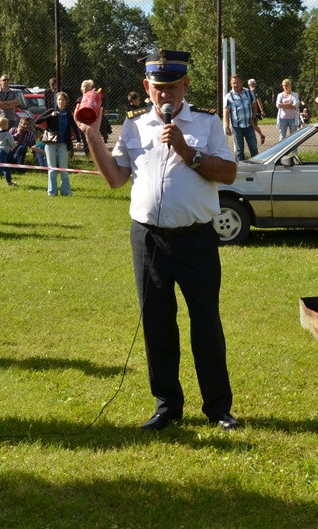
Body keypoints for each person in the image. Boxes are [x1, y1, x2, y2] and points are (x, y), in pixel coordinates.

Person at [77, 49, 239, 432]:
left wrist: (188, 152)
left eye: (172, 87)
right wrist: (93, 135)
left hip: (196, 238)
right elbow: (116, 178)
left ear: (184, 85)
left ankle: (218, 408)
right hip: (148, 239)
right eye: (158, 88)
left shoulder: (206, 122)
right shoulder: (133, 127)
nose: (165, 96)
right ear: (146, 87)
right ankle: (167, 406)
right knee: (156, 323)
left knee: (206, 324)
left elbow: (229, 173)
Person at [34, 92, 75, 196]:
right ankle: (52, 192)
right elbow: (37, 121)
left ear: (66, 102)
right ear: (56, 101)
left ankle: (66, 191)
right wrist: (49, 115)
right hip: (51, 143)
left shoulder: (68, 114)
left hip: (63, 144)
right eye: (59, 99)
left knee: (63, 168)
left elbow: (74, 127)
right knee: (52, 168)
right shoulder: (52, 111)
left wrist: (78, 141)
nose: (61, 101)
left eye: (63, 100)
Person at [223, 74, 259, 161]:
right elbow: (226, 112)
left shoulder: (249, 92)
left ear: (242, 83)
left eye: (238, 83)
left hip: (249, 125)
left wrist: (254, 118)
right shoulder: (228, 97)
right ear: (231, 84)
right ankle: (241, 169)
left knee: (254, 148)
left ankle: (257, 167)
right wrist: (227, 126)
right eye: (234, 83)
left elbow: (254, 106)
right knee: (239, 151)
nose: (236, 85)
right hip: (237, 127)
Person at [246, 79, 267, 144]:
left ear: (249, 85)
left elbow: (258, 100)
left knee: (253, 124)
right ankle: (260, 135)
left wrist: (261, 110)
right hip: (250, 110)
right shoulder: (249, 91)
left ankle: (260, 135)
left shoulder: (254, 91)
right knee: (252, 125)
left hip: (254, 111)